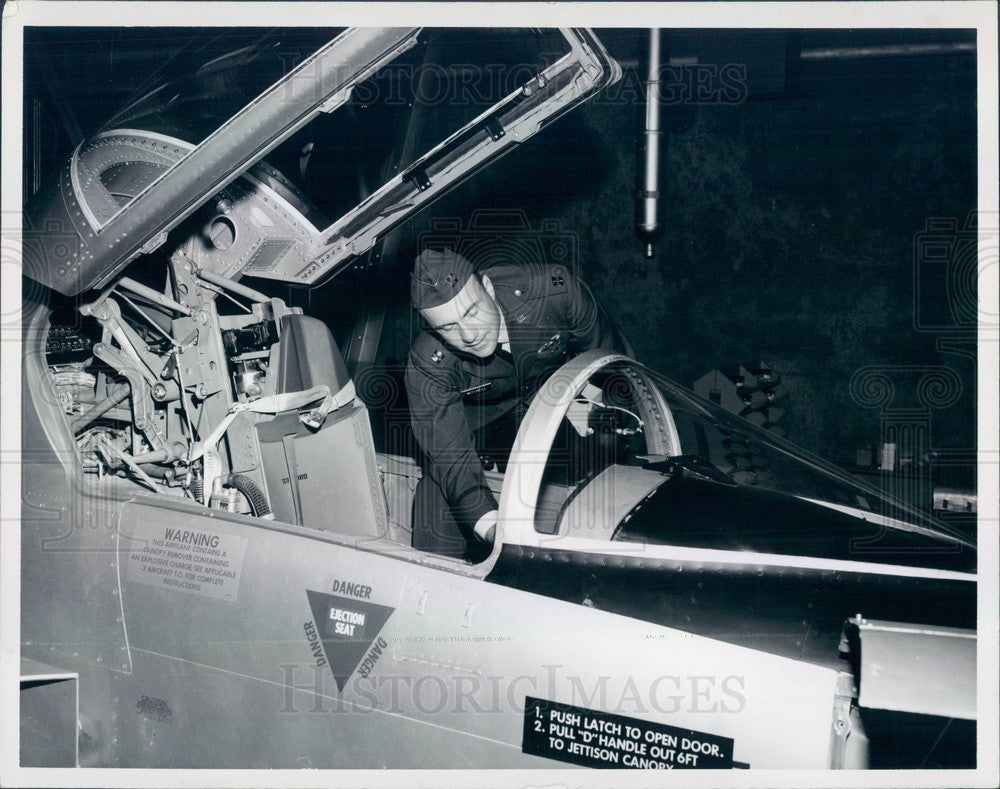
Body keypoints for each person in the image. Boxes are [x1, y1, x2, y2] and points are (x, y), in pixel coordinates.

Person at [405, 248, 626, 560]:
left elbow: (612, 365)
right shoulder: (428, 364)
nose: (468, 335)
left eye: (471, 312)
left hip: (551, 399)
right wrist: (497, 532)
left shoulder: (554, 293)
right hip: (479, 424)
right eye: (446, 328)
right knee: (439, 491)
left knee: (605, 480)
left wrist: (597, 406)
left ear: (489, 287)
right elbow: (450, 455)